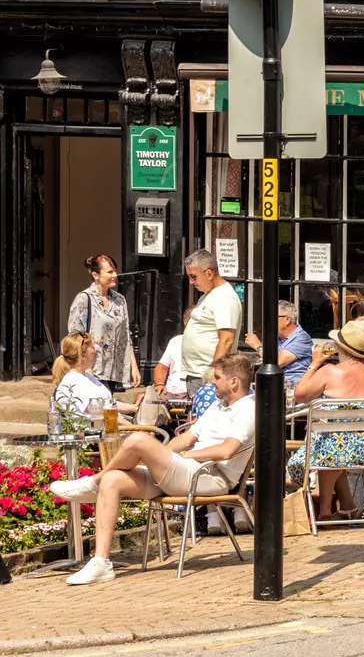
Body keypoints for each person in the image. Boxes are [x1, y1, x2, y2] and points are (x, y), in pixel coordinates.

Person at [50, 352, 257, 586]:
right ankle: (101, 562)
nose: (212, 382)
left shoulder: (248, 409)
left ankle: (93, 481)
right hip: (186, 470)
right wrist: (164, 455)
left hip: (209, 476)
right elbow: (188, 436)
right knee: (114, 480)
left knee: (138, 439)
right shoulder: (219, 406)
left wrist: (181, 455)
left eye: (217, 377)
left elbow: (227, 451)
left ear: (234, 382)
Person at [291, 316, 364, 522]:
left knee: (328, 445)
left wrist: (314, 364)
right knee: (336, 444)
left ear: (341, 348)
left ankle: (324, 508)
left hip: (329, 450)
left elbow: (300, 394)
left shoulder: (329, 372)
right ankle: (345, 504)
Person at [178, 251, 242, 416]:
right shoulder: (209, 295)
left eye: (194, 277)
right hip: (197, 373)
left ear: (209, 273)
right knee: (197, 422)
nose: (191, 282)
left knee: (205, 424)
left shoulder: (225, 297)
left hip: (207, 375)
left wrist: (214, 373)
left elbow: (226, 340)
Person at [66, 254, 138, 391]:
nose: (115, 275)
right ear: (96, 275)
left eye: (115, 271)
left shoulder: (119, 300)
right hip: (92, 369)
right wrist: (86, 368)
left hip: (114, 372)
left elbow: (125, 335)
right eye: (110, 272)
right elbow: (75, 338)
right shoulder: (84, 299)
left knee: (107, 408)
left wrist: (133, 367)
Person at [50, 333, 114, 431]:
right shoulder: (72, 381)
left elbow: (108, 404)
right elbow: (98, 412)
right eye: (92, 347)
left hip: (105, 429)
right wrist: (129, 425)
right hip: (91, 437)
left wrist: (133, 408)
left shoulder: (86, 376)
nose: (95, 350)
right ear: (82, 353)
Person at [244, 301, 313, 393]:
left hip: (292, 390)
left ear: (287, 320)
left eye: (272, 317)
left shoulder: (302, 338)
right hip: (274, 385)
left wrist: (257, 346)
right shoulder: (277, 338)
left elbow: (277, 362)